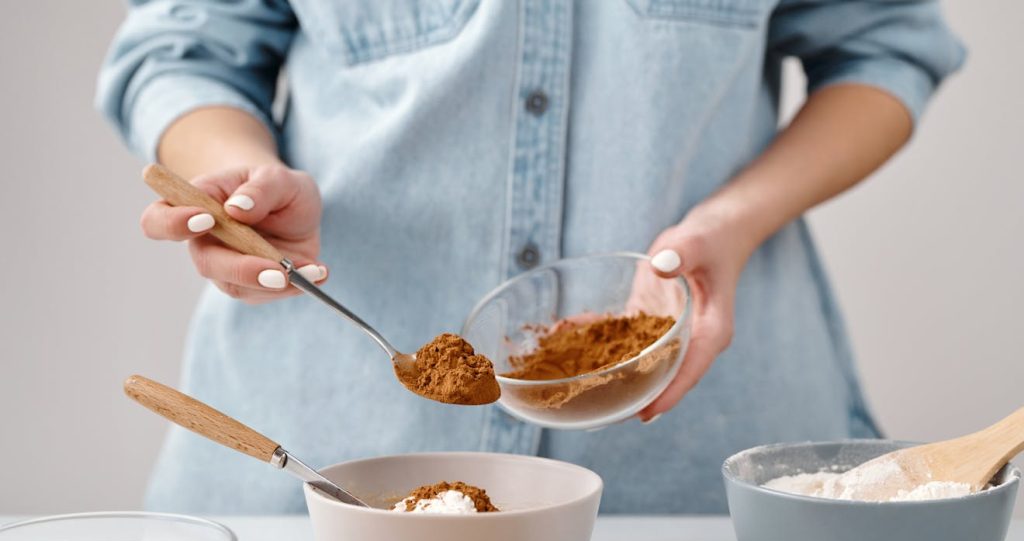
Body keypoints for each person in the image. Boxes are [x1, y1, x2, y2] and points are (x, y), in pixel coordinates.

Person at [97, 0, 963, 514]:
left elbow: (886, 50)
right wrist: (239, 180)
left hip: (684, 490)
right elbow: (183, 49)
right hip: (319, 469)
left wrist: (734, 220)